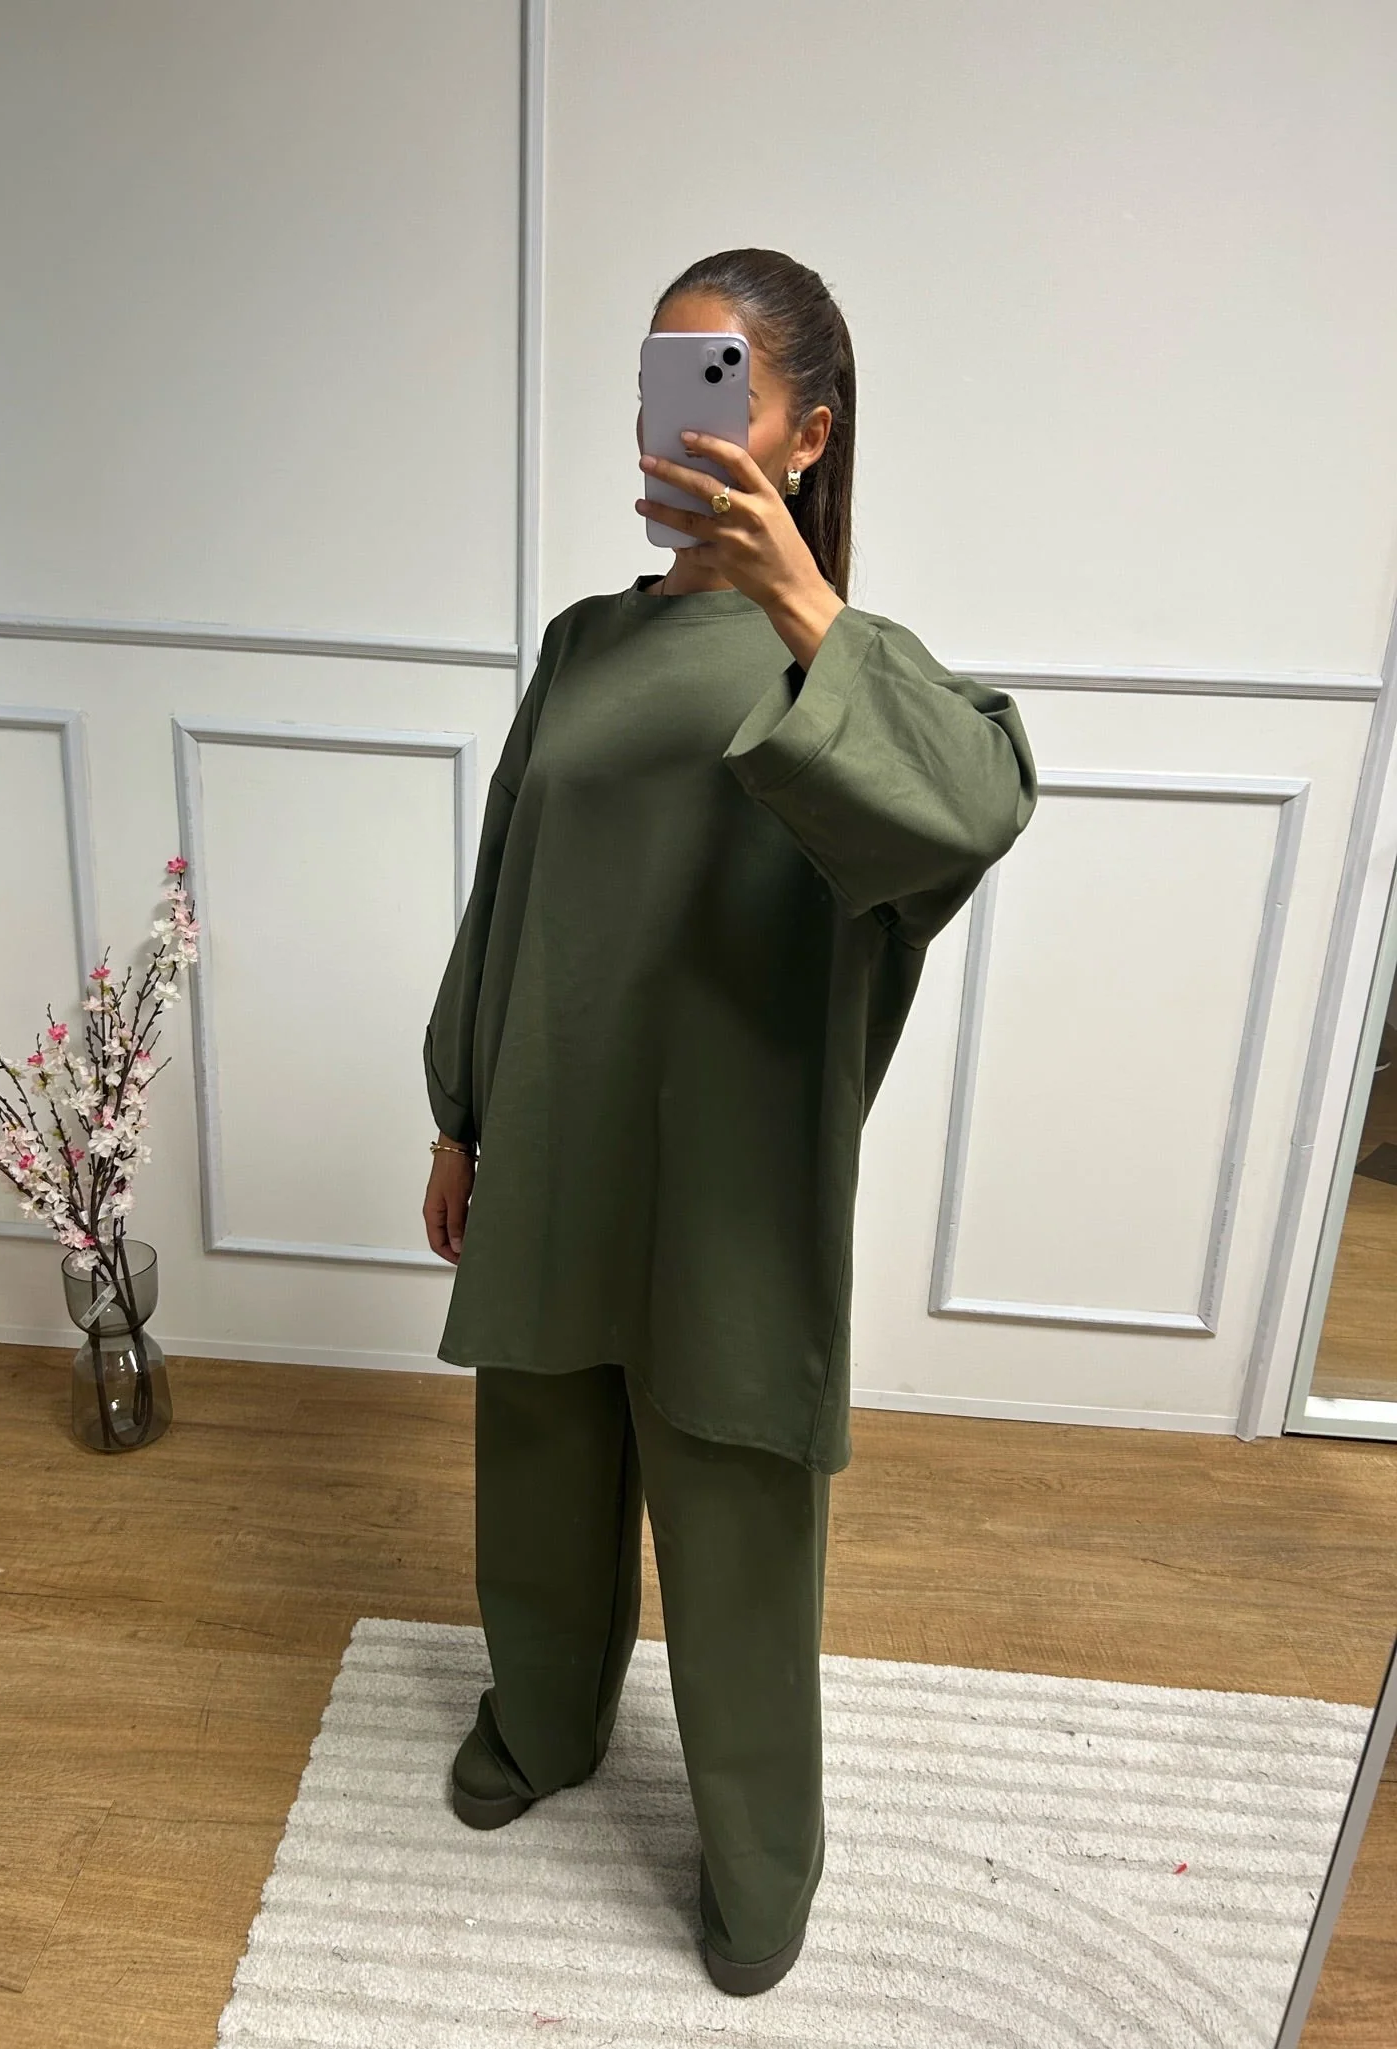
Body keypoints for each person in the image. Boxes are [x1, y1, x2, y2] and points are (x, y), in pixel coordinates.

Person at [421, 246, 1039, 1997]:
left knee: (740, 1530)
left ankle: (764, 1863)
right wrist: (461, 1116)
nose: (669, 422)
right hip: (558, 1141)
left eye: (716, 386)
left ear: (807, 432)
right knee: (541, 1470)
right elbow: (505, 890)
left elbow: (975, 810)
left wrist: (802, 607)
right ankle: (544, 1725)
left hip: (734, 1180)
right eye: (657, 383)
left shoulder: (865, 676)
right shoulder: (583, 646)